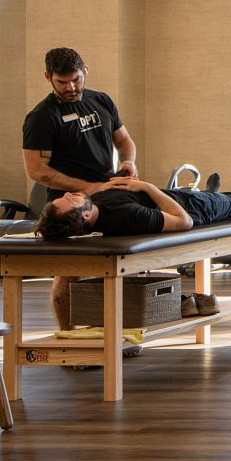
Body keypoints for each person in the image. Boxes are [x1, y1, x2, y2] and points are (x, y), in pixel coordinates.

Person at [21, 47, 139, 328]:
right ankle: (68, 336)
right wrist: (88, 187)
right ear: (48, 77)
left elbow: (125, 141)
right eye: (62, 82)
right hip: (68, 202)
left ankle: (111, 332)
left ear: (85, 71)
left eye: (75, 79)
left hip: (108, 193)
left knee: (118, 264)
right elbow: (37, 171)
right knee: (70, 270)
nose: (70, 87)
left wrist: (128, 163)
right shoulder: (41, 117)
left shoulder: (101, 100)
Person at [36, 175, 231, 241]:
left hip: (182, 197)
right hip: (196, 210)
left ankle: (209, 192)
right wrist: (146, 187)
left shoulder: (96, 209)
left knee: (200, 193)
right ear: (86, 215)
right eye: (70, 200)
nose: (70, 193)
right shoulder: (129, 216)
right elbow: (184, 222)